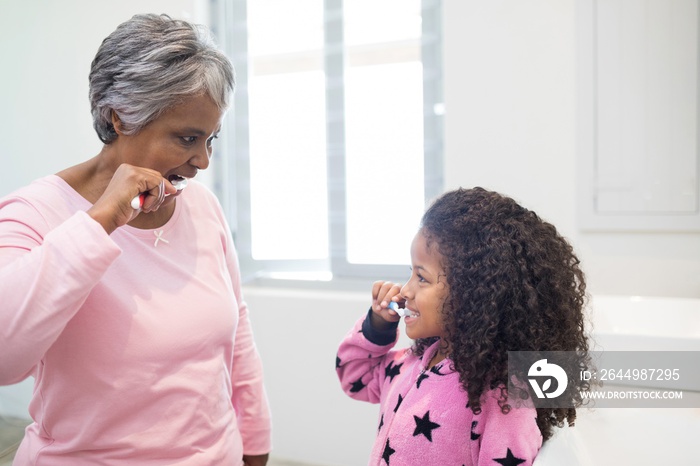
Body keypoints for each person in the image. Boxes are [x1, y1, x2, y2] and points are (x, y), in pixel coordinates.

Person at [0, 14, 271, 466]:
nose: (203, 161)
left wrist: (255, 444)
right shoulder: (32, 213)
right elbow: (5, 359)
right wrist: (100, 219)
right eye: (188, 138)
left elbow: (237, 333)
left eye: (211, 139)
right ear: (118, 117)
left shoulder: (203, 207)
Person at [336, 187, 590, 465]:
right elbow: (355, 377)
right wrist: (377, 327)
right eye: (410, 272)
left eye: (422, 278)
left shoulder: (501, 396)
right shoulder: (412, 363)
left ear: (472, 292)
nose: (405, 291)